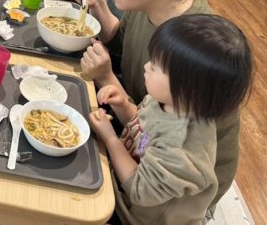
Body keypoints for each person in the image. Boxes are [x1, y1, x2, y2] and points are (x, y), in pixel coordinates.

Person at [72, 0, 237, 208]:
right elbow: (121, 41)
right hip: (138, 130)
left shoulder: (193, 44)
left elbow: (164, 130)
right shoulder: (152, 2)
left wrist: (107, 76)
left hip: (166, 191)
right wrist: (97, 4)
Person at [90, 14, 252, 225]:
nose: (146, 66)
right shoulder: (167, 101)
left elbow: (139, 189)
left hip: (133, 217)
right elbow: (143, 131)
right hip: (121, 186)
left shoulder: (182, 148)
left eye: (155, 66)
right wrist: (123, 105)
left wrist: (111, 139)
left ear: (188, 90)